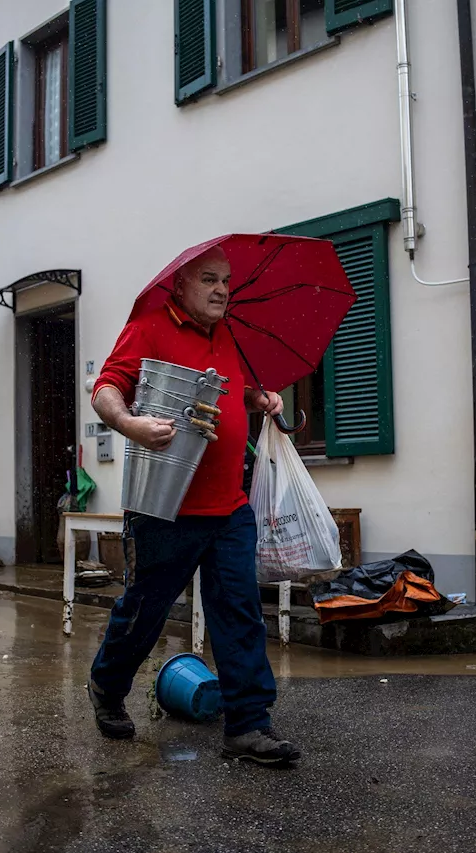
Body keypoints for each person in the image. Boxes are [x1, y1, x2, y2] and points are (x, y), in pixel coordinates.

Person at [87, 246, 301, 766]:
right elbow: (106, 389)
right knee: (145, 612)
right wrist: (130, 425)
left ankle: (249, 725)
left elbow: (229, 392)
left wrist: (257, 399)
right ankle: (108, 685)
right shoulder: (150, 326)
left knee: (239, 612)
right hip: (164, 506)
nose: (222, 290)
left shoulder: (229, 334)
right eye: (209, 279)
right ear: (179, 286)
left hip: (229, 505)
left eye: (226, 280)